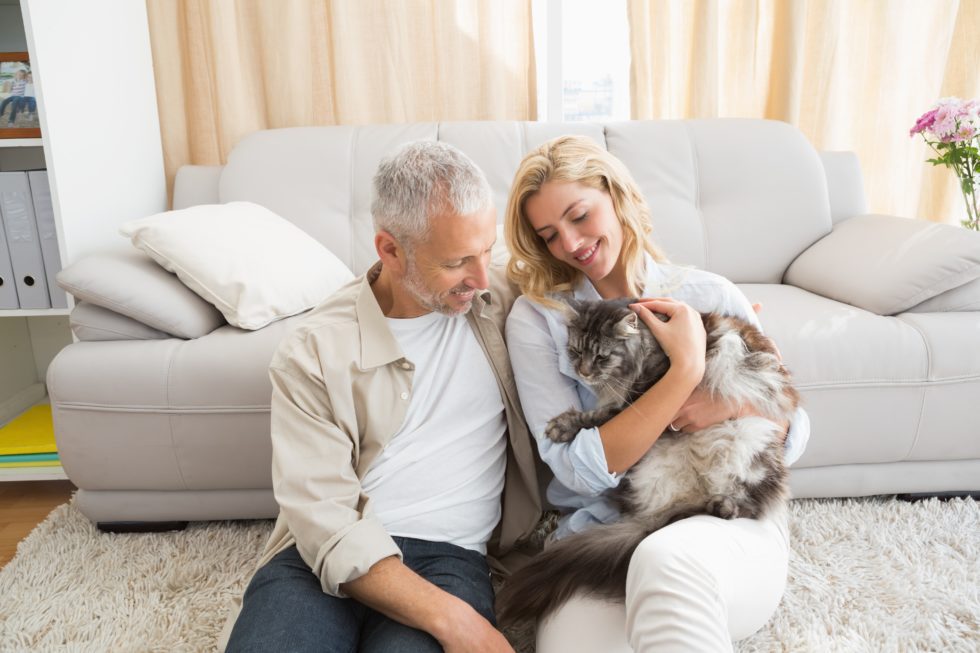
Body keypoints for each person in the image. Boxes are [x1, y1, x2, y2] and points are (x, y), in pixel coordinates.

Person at [224, 141, 541, 652]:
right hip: (319, 558)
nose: (481, 279)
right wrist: (455, 621)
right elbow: (323, 518)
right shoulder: (313, 349)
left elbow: (624, 273)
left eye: (487, 251)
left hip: (449, 556)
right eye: (458, 261)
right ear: (390, 250)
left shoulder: (503, 298)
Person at [503, 135, 811, 652]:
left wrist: (730, 403)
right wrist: (685, 371)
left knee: (665, 560)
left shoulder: (707, 293)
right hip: (612, 521)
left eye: (580, 216)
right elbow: (576, 467)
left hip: (731, 516)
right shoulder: (541, 320)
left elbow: (793, 429)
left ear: (615, 194)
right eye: (550, 235)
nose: (571, 243)